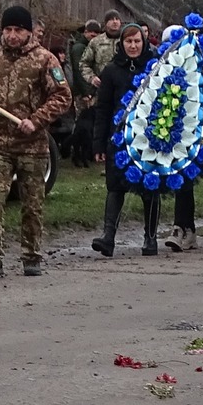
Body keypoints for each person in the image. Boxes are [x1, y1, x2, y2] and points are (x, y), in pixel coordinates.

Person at [0, 4, 72, 276]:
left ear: (28, 31)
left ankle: (31, 254)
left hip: (32, 146)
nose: (12, 35)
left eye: (18, 30)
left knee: (32, 204)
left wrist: (36, 120)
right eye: (8, 29)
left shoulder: (45, 60)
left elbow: (62, 96)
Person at [91, 23, 158, 255]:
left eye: (137, 41)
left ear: (144, 42)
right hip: (118, 137)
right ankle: (108, 236)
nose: (133, 46)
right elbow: (103, 108)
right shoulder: (111, 70)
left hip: (149, 137)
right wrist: (99, 142)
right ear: (122, 43)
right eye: (128, 42)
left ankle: (150, 238)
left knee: (150, 187)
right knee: (116, 186)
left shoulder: (154, 67)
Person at [67, 19, 101, 167]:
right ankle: (76, 153)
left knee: (87, 127)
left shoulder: (89, 47)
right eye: (91, 33)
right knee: (81, 127)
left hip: (90, 91)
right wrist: (86, 92)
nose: (93, 36)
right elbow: (79, 72)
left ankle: (85, 154)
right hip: (83, 93)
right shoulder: (79, 48)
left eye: (96, 34)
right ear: (85, 32)